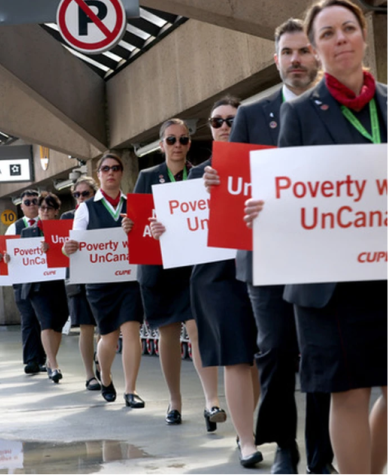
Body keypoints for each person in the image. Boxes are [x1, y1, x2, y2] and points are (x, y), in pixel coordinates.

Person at [245, 2, 387, 472]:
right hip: (330, 285)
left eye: (348, 28)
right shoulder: (301, 113)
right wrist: (267, 208)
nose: (340, 38)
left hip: (383, 270)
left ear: (363, 36)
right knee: (348, 392)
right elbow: (290, 192)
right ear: (317, 48)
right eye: (327, 33)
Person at [205, 19, 333, 474]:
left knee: (319, 354)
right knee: (275, 350)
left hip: (321, 254)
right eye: (288, 52)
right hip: (264, 255)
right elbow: (234, 184)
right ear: (276, 59)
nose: (296, 60)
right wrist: (216, 181)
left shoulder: (335, 111)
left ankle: (320, 455)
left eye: (304, 51)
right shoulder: (252, 115)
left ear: (316, 56)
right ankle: (285, 448)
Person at [150, 98, 261, 467]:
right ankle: (246, 440)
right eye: (217, 121)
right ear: (210, 129)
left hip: (262, 270)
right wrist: (162, 229)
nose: (224, 126)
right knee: (235, 357)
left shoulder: (266, 163)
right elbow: (182, 224)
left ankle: (248, 427)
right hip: (216, 277)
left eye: (231, 120)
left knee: (257, 358)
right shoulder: (197, 175)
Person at [123, 118, 225, 428]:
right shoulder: (147, 177)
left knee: (198, 330)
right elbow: (136, 222)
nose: (177, 145)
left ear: (189, 144)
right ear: (161, 145)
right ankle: (175, 401)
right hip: (158, 268)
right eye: (171, 140)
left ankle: (211, 401)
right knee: (168, 335)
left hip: (192, 267)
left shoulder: (198, 175)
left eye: (182, 139)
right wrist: (134, 226)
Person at [63, 152, 145, 408]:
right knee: (108, 336)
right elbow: (75, 243)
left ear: (122, 172)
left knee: (131, 331)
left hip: (129, 278)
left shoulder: (133, 204)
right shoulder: (86, 208)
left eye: (115, 168)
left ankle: (131, 390)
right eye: (105, 168)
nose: (111, 172)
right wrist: (68, 248)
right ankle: (106, 376)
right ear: (98, 174)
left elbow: (145, 239)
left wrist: (136, 230)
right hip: (99, 282)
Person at [7, 193, 69, 383]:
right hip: (37, 286)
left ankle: (50, 360)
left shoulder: (64, 231)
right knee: (46, 321)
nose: (45, 211)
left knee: (58, 322)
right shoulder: (28, 232)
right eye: (42, 208)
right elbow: (18, 256)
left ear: (56, 211)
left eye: (49, 208)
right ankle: (53, 364)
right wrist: (7, 257)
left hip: (59, 283)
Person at [61, 178, 100, 391]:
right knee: (86, 327)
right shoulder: (67, 218)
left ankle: (102, 366)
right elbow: (61, 249)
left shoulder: (101, 213)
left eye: (86, 193)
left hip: (102, 275)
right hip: (78, 278)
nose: (81, 198)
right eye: (77, 194)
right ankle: (89, 374)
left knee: (104, 327)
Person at [3, 190, 46, 374]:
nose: (31, 205)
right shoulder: (14, 228)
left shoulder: (48, 224)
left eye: (35, 201)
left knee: (44, 321)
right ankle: (31, 359)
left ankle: (44, 359)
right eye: (27, 202)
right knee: (28, 319)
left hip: (45, 281)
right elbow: (5, 253)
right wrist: (4, 257)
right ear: (21, 207)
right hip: (22, 283)